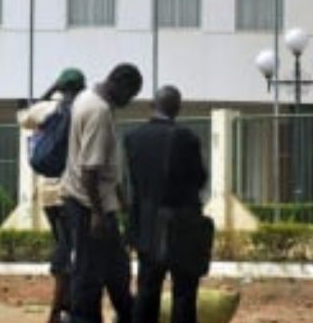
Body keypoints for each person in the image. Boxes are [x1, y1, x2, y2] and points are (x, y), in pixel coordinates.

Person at [60, 63, 143, 323]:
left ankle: (127, 313)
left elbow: (103, 165)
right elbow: (90, 170)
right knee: (88, 273)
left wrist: (119, 197)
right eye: (131, 95)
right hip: (88, 205)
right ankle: (83, 317)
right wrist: (97, 213)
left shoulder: (86, 97)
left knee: (116, 267)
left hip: (94, 201)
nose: (129, 102)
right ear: (121, 85)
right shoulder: (99, 111)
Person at [125, 86, 208, 323]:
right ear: (178, 108)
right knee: (184, 293)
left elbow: (134, 183)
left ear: (153, 105)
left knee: (147, 291)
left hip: (147, 225)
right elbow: (200, 178)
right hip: (182, 224)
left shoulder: (133, 138)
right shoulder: (186, 137)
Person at [19, 68, 87, 323]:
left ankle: (64, 307)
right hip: (72, 192)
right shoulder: (82, 111)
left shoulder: (47, 109)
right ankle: (61, 310)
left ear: (61, 87)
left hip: (48, 193)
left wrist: (49, 90)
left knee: (64, 244)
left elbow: (24, 118)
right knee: (72, 251)